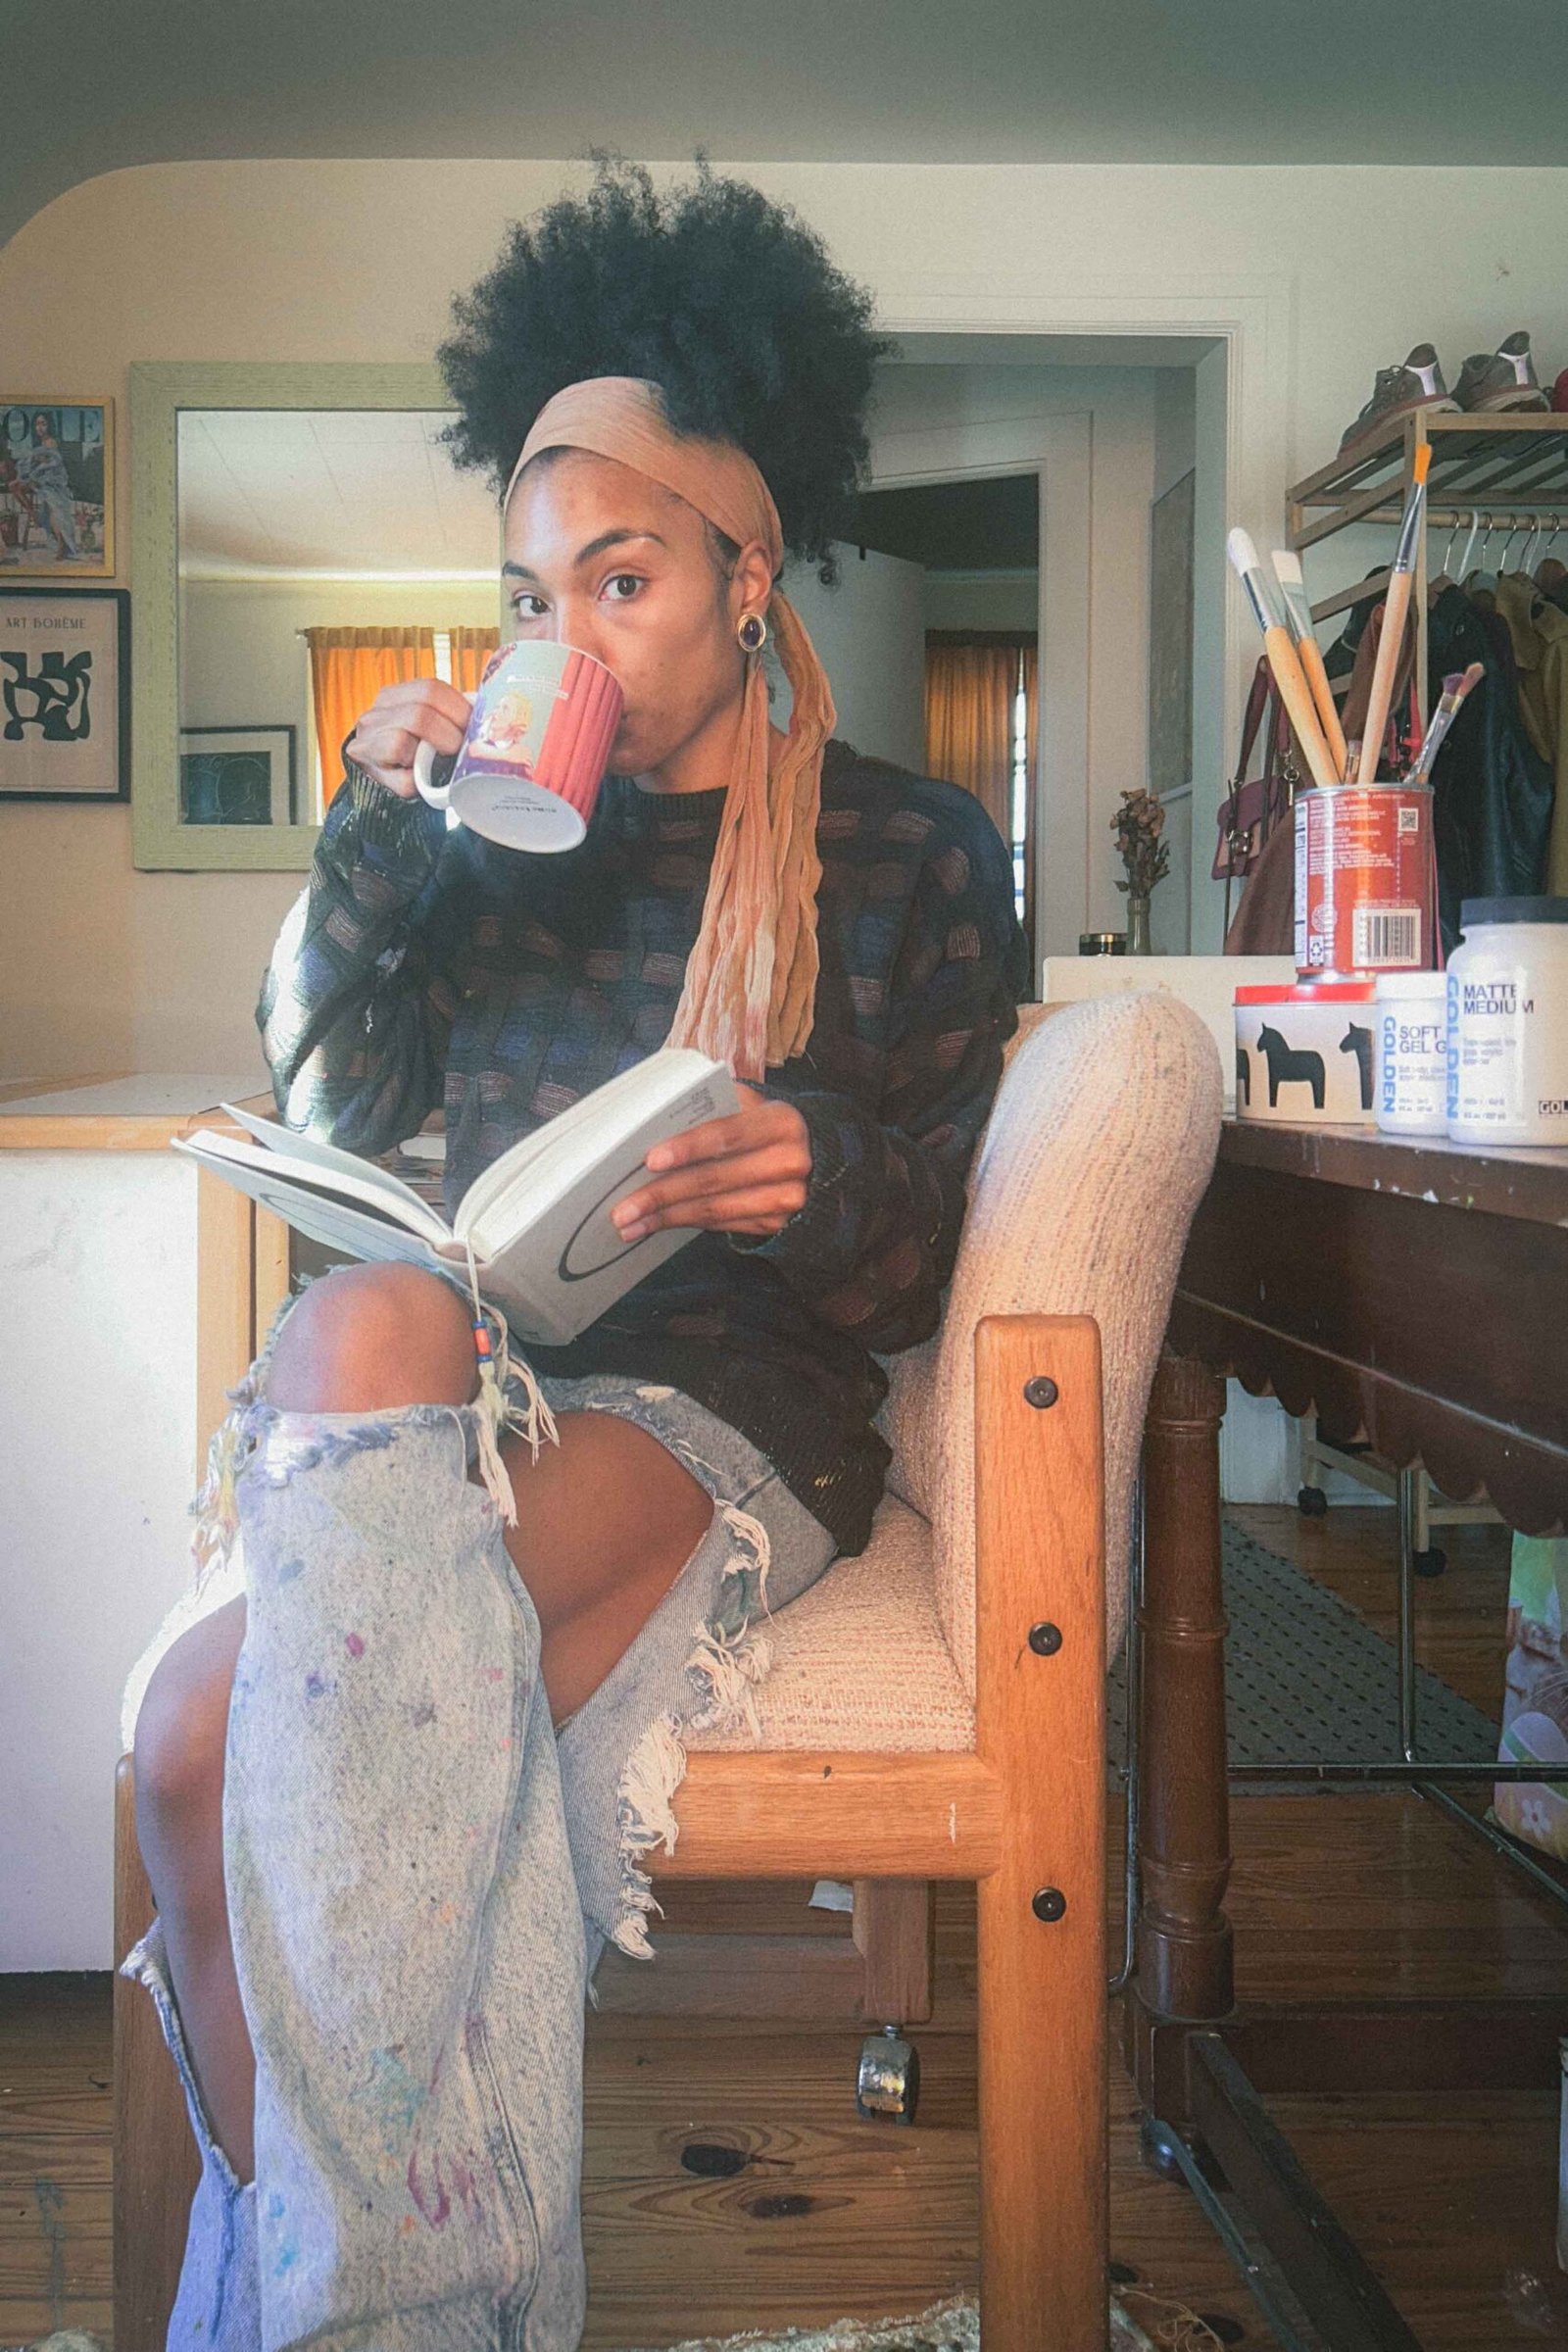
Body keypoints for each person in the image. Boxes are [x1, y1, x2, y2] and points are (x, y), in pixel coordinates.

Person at [123, 155, 1029, 2351]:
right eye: (533, 597)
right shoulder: (488, 851)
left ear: (743, 573)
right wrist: (366, 844)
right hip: (475, 1371)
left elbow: (936, 1251)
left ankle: (334, 2317)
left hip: (732, 1398)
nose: (568, 640)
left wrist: (809, 1171)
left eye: (616, 581)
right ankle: (331, 2285)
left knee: (250, 1761)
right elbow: (332, 1103)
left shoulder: (909, 849)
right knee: (201, 1687)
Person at [17, 411, 80, 560]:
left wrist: (37, 465)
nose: (40, 428)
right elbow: (37, 463)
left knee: (53, 510)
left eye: (43, 424)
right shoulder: (41, 443)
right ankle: (33, 514)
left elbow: (53, 464)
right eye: (37, 424)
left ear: (49, 426)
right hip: (42, 479)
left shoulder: (51, 442)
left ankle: (61, 545)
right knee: (15, 486)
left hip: (52, 481)